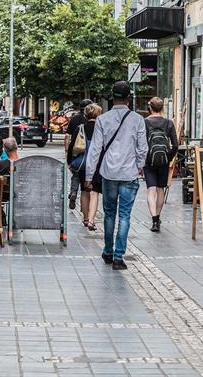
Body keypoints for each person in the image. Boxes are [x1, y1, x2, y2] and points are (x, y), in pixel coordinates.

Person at [85, 82, 147, 270]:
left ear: (113, 96)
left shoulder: (103, 119)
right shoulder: (137, 119)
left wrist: (89, 175)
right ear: (128, 97)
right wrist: (139, 166)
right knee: (125, 215)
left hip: (109, 173)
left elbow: (95, 149)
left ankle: (107, 251)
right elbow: (143, 148)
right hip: (129, 174)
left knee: (109, 214)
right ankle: (119, 257)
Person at [144, 97, 179, 233]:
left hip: (149, 161)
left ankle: (153, 219)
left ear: (150, 108)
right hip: (163, 161)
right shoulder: (168, 123)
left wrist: (144, 158)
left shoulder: (145, 122)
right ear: (162, 108)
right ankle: (158, 217)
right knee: (160, 190)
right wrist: (168, 157)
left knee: (150, 191)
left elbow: (141, 143)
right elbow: (175, 145)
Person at [67, 102, 102, 231]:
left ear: (86, 114)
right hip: (97, 163)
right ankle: (92, 219)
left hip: (81, 164)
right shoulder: (101, 128)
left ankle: (86, 218)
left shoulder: (80, 128)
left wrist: (70, 162)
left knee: (84, 190)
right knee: (94, 191)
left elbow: (72, 146)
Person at [66, 99, 93, 210]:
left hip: (77, 153)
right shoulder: (94, 121)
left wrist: (67, 153)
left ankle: (73, 192)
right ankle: (85, 208)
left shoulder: (75, 119)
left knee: (76, 174)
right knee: (86, 182)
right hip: (90, 156)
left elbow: (67, 137)